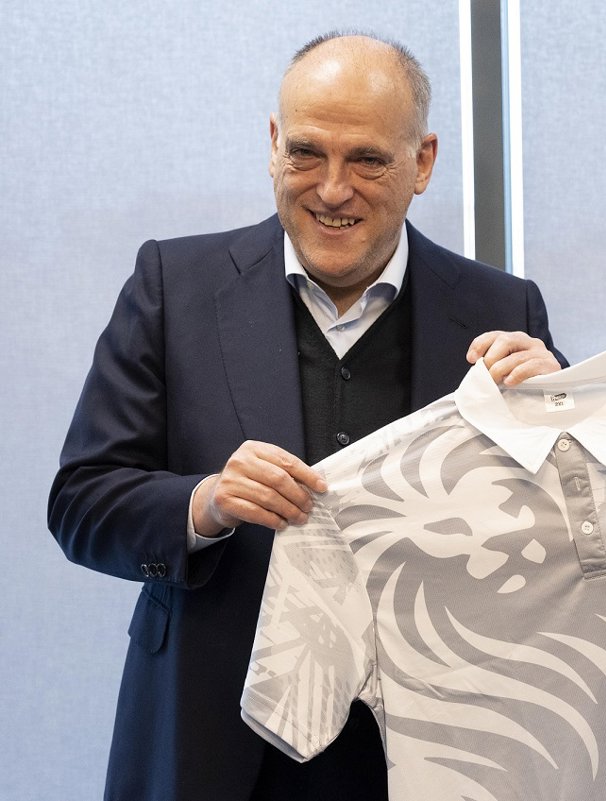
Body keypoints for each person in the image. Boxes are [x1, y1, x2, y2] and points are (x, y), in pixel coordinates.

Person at [48, 32, 564, 801]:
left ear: (423, 162)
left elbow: (572, 539)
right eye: (306, 153)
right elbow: (81, 504)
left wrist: (562, 418)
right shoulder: (172, 288)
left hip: (433, 754)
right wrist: (204, 503)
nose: (331, 188)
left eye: (368, 160)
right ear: (272, 145)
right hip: (209, 747)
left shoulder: (503, 310)